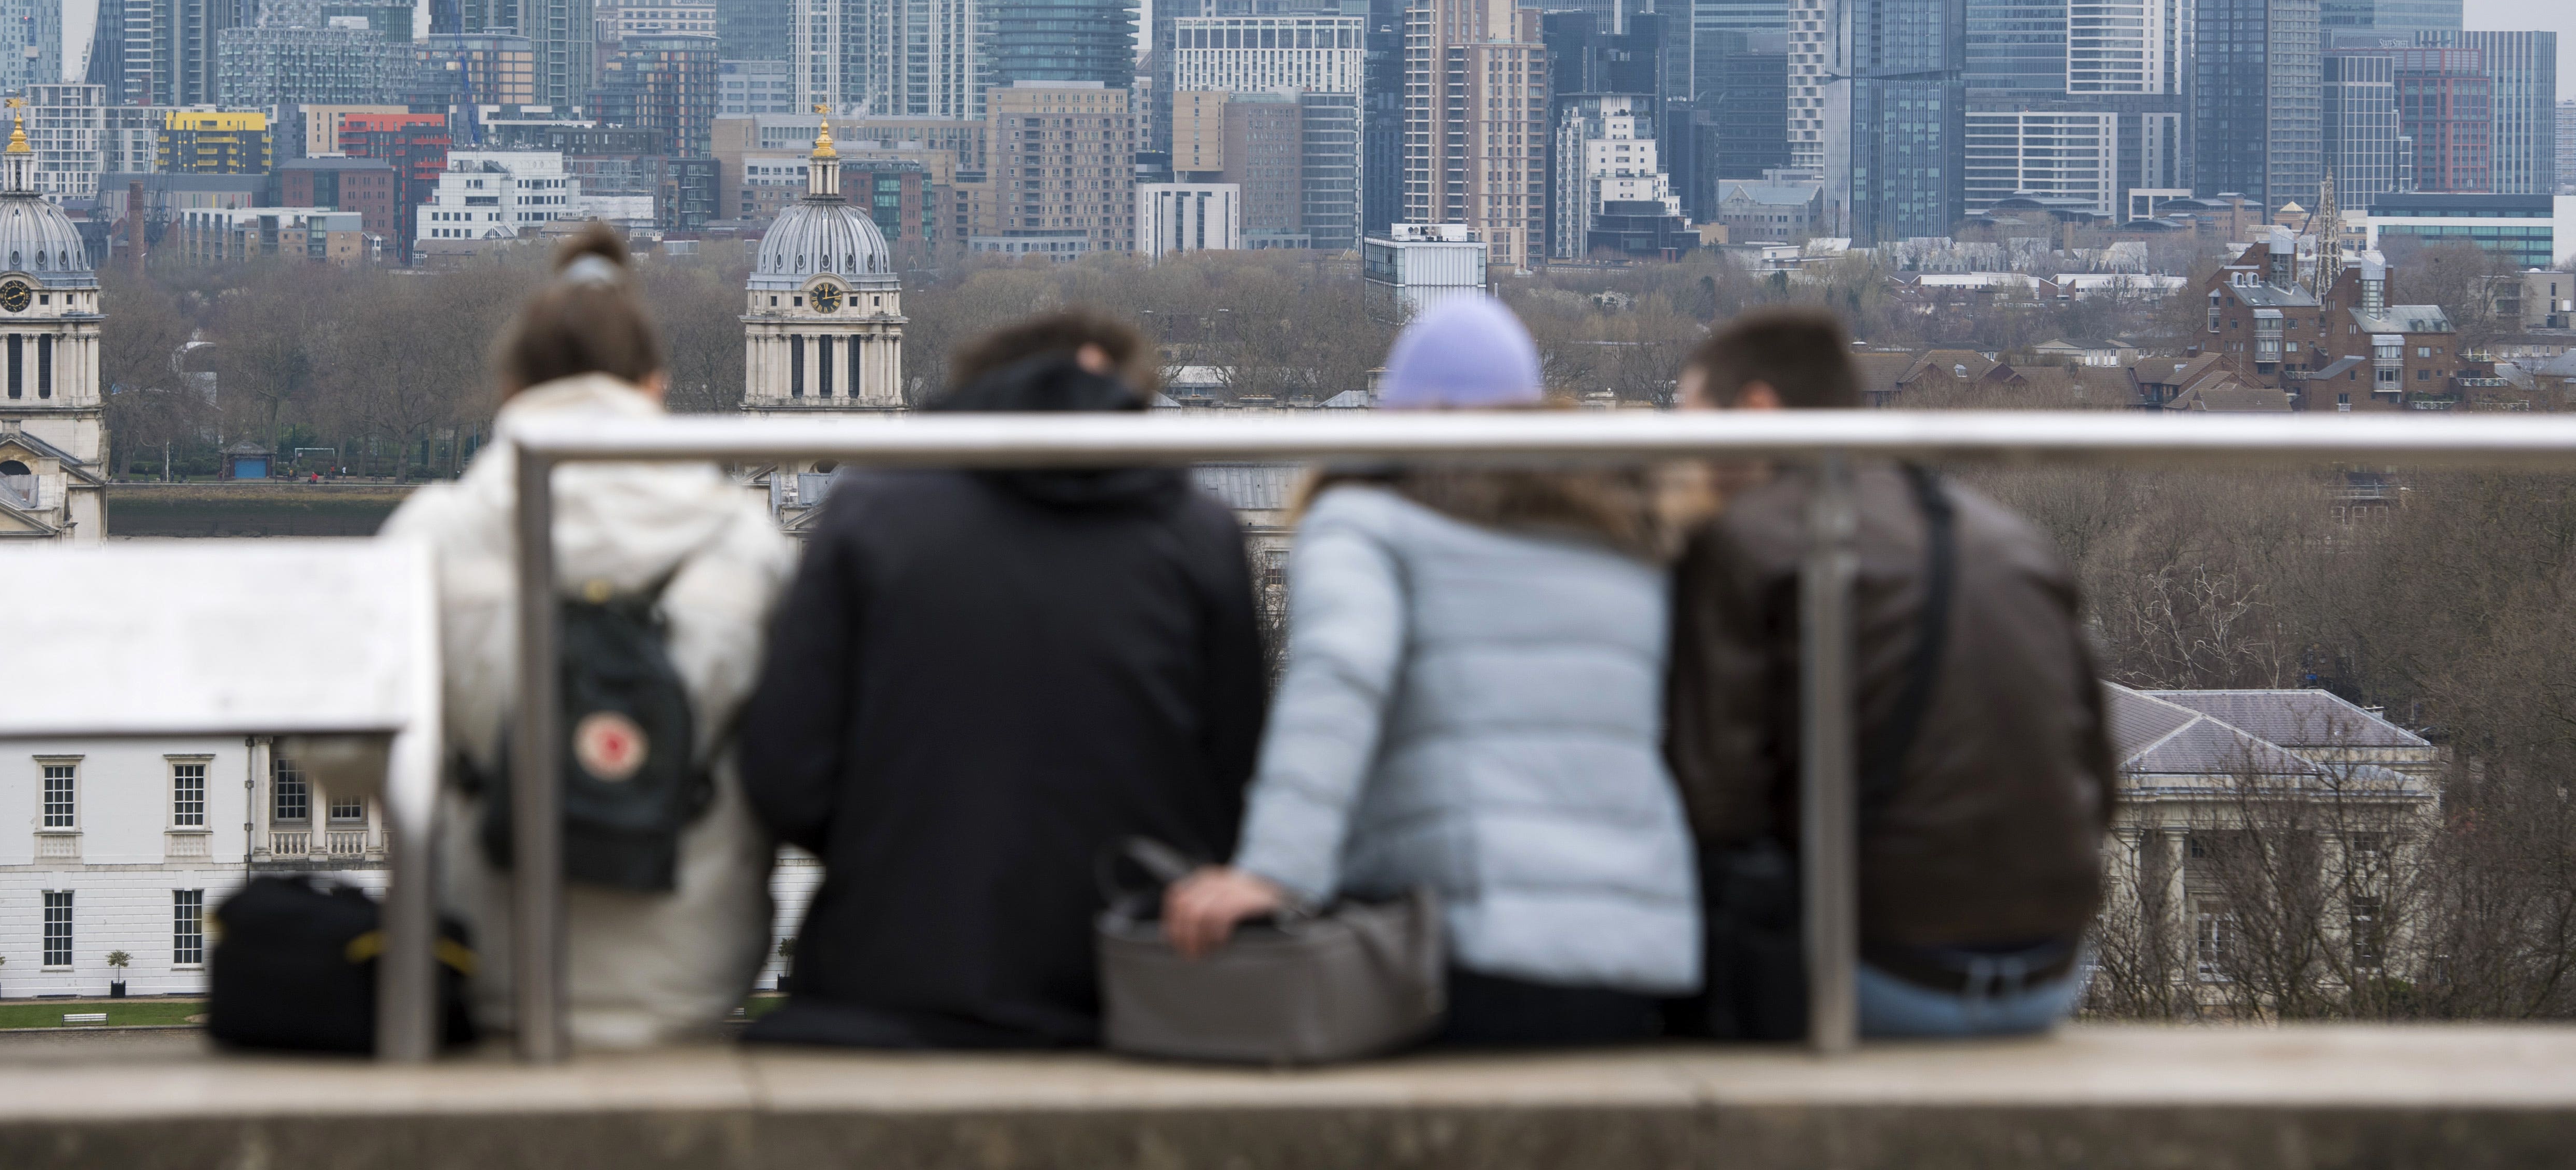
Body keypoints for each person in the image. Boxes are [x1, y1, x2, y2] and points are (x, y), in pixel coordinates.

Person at [1165, 297, 1703, 1047]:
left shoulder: (1365, 522)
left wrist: (1276, 870)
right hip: (1634, 962)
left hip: (1456, 953)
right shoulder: (1624, 537)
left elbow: (1339, 679)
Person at [737, 309, 1266, 1048]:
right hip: (1127, 981)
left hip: (895, 978)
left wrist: (896, 849)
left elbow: (786, 774)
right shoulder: (1203, 537)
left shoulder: (867, 517)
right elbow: (1236, 784)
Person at [381, 224, 793, 1047]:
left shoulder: (434, 532)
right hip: (694, 974)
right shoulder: (747, 542)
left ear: (509, 387)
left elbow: (342, 755)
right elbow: (798, 765)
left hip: (489, 964)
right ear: (655, 384)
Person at [1667, 305, 2115, 1038]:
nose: (1680, 455)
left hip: (1885, 977)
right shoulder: (2008, 538)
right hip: (2051, 970)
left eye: (1689, 419)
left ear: (1754, 410)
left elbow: (1716, 804)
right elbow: (2099, 776)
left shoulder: (1748, 540)